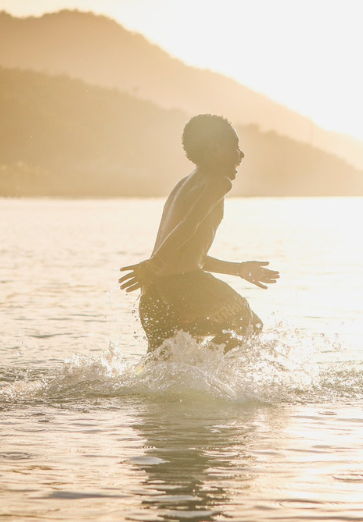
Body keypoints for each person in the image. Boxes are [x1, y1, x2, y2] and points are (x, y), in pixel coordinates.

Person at [119, 114, 279, 354]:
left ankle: (188, 380)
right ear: (215, 148)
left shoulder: (183, 184)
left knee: (162, 363)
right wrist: (153, 264)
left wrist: (238, 269)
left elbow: (188, 255)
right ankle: (206, 379)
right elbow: (189, 225)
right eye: (235, 147)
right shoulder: (218, 181)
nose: (241, 155)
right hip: (186, 286)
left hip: (153, 290)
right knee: (250, 325)